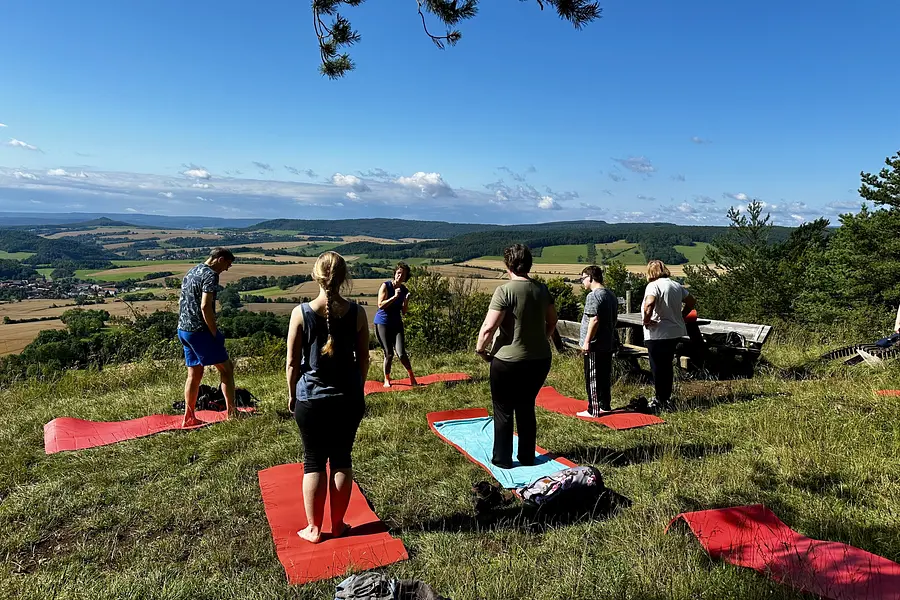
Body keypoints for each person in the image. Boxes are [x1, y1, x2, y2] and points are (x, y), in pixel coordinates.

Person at [286, 251, 370, 544]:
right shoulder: (358, 313)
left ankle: (313, 528)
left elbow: (292, 363)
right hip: (348, 398)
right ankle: (338, 524)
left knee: (313, 462)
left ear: (315, 276)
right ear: (344, 277)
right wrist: (358, 389)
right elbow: (364, 360)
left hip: (310, 399)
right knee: (341, 459)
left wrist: (291, 394)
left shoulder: (301, 313)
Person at [475, 244, 558, 469]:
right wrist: (542, 338)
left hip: (507, 361)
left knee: (503, 409)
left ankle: (502, 459)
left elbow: (488, 328)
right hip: (540, 360)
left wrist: (481, 350)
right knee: (526, 406)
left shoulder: (505, 291)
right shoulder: (542, 290)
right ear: (529, 264)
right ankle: (527, 456)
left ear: (507, 264)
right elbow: (552, 321)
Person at [177, 247, 237, 427]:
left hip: (183, 329)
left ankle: (189, 417)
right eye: (227, 264)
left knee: (194, 374)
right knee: (226, 369)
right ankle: (232, 414)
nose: (227, 268)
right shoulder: (210, 275)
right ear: (219, 259)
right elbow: (205, 306)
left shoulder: (192, 271)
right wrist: (214, 332)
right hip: (200, 331)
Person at [641, 260, 696, 412]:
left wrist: (646, 319)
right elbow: (692, 301)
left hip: (658, 332)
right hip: (675, 331)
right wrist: (681, 315)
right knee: (667, 365)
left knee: (657, 367)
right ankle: (666, 397)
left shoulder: (653, 285)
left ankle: (660, 399)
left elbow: (650, 303)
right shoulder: (676, 285)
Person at [578, 265, 619, 417]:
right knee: (604, 375)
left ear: (590, 277)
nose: (582, 282)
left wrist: (587, 341)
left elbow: (593, 320)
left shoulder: (593, 296)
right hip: (607, 342)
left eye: (583, 278)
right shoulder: (610, 295)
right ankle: (605, 404)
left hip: (595, 343)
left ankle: (593, 409)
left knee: (593, 376)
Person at [374, 262, 417, 387]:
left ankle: (412, 377)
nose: (400, 276)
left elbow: (403, 312)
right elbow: (380, 305)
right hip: (382, 323)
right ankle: (387, 379)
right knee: (389, 353)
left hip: (397, 324)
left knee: (401, 353)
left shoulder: (404, 290)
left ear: (405, 278)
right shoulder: (386, 286)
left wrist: (406, 301)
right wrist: (394, 297)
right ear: (395, 274)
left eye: (403, 275)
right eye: (398, 273)